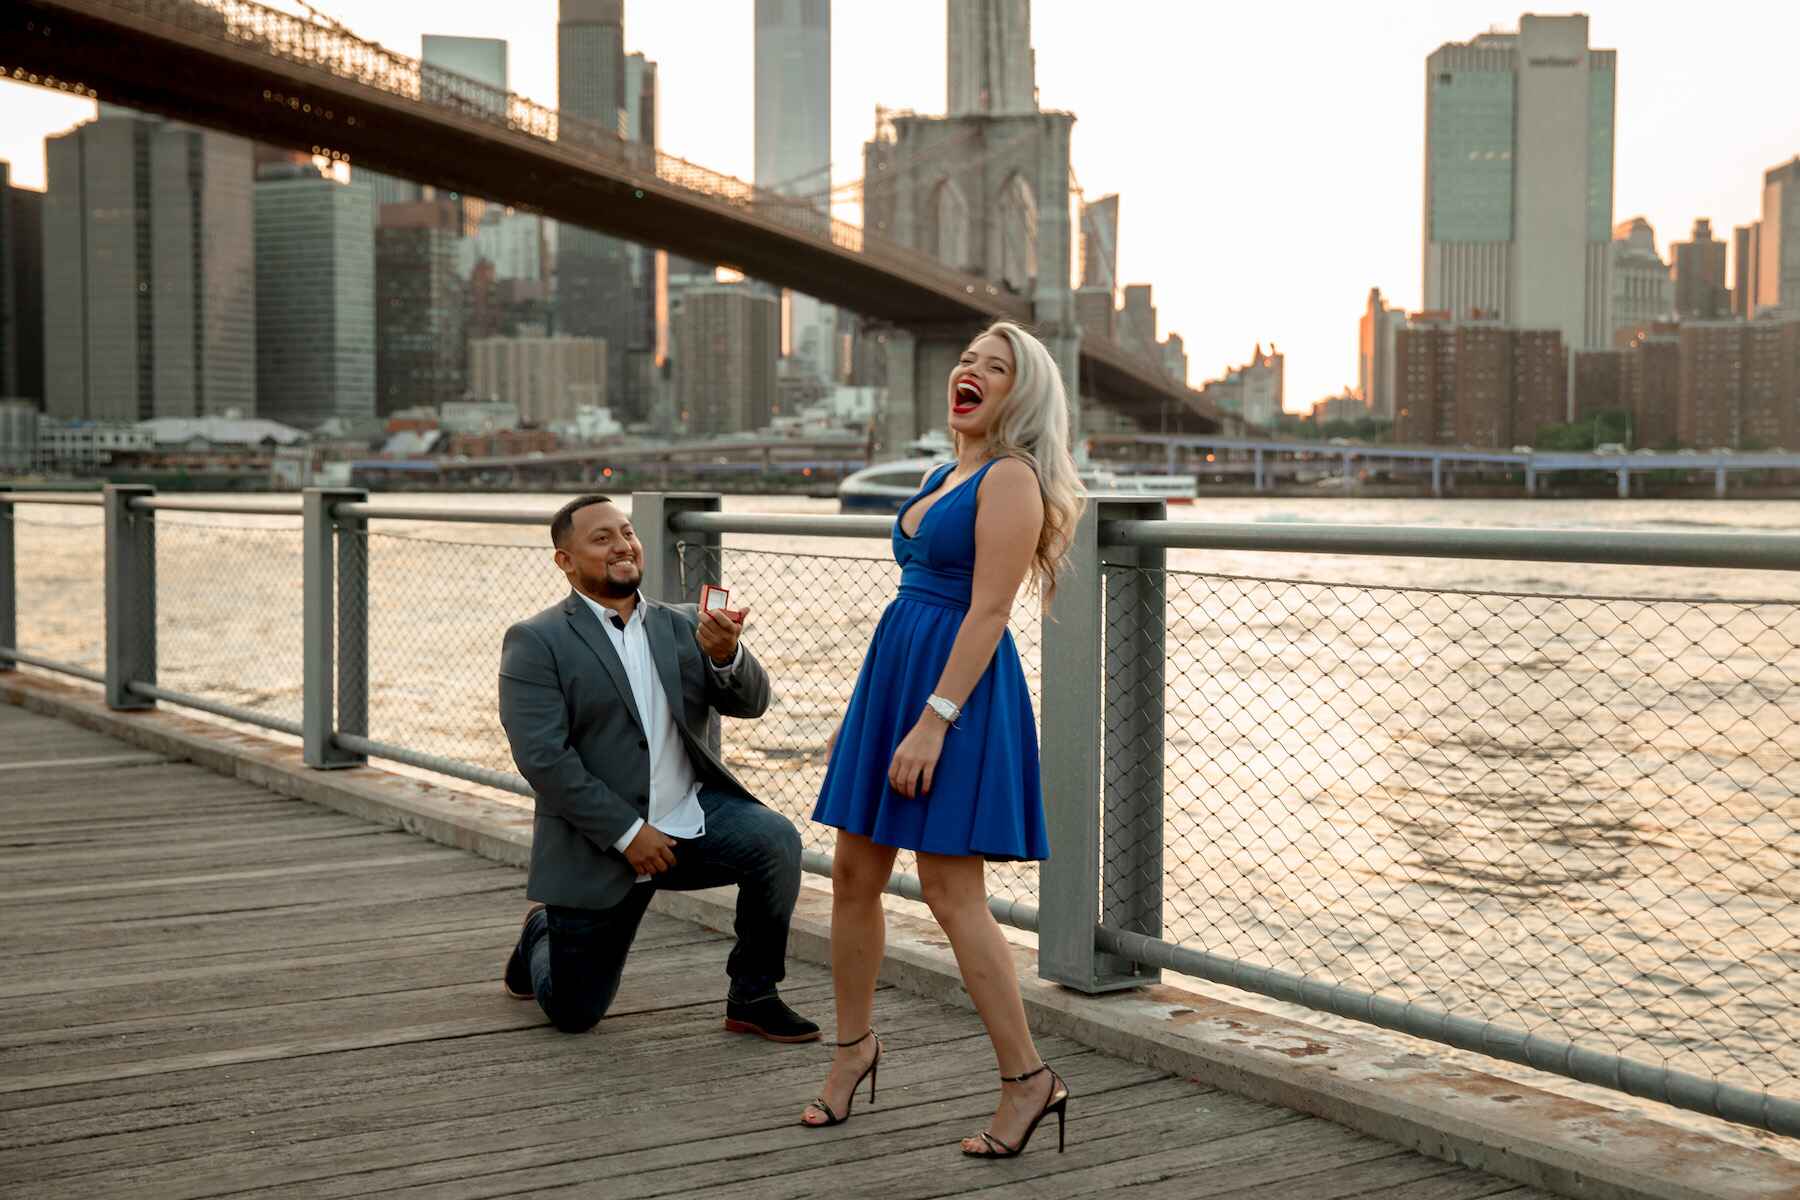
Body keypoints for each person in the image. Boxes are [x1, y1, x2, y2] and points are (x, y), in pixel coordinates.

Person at [803, 321, 1085, 1157]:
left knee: (950, 892)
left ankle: (1029, 1079)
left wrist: (933, 720)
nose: (970, 372)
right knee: (853, 875)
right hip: (898, 679)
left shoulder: (1010, 479)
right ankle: (855, 1050)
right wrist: (869, 719)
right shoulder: (943, 471)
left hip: (952, 695)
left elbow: (991, 612)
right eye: (966, 360)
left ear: (1019, 393)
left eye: (994, 368)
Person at [497, 495, 818, 1043]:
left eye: (626, 533)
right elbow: (543, 759)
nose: (623, 546)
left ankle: (754, 995)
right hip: (601, 845)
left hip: (689, 823)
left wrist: (726, 656)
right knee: (575, 1014)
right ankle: (538, 932)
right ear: (565, 561)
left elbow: (753, 702)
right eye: (601, 539)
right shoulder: (535, 641)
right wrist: (627, 834)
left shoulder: (685, 624)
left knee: (776, 842)